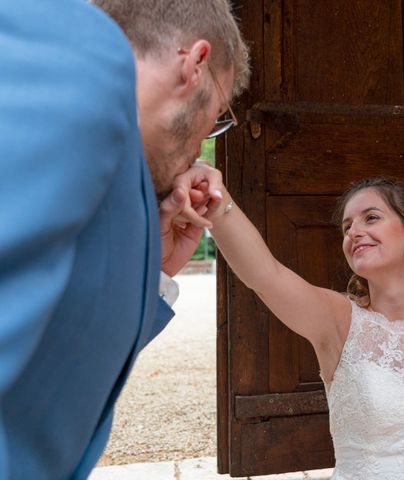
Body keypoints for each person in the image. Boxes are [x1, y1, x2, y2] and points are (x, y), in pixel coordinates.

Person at [0, 0, 248, 478]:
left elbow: (59, 364)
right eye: (217, 116)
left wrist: (152, 270)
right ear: (195, 64)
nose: (201, 147)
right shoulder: (72, 73)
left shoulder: (115, 153)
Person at [173, 169, 404, 479]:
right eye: (347, 227)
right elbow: (264, 275)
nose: (354, 232)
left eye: (370, 217)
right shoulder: (338, 319)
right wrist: (217, 203)